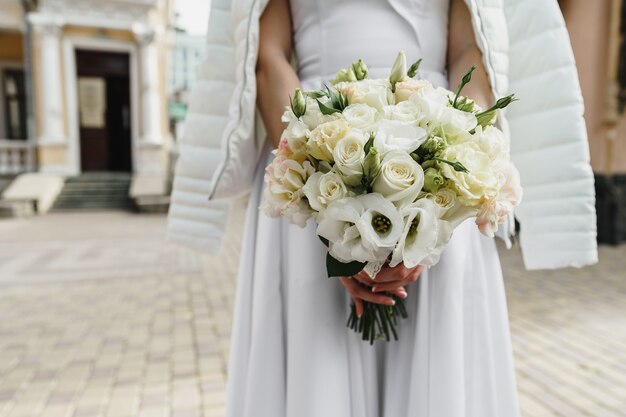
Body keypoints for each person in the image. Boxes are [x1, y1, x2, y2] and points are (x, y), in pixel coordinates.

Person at [167, 0, 598, 416]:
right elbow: (267, 54)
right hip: (312, 139)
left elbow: (473, 48)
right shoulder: (309, 149)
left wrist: (463, 153)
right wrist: (315, 174)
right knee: (318, 349)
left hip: (436, 140)